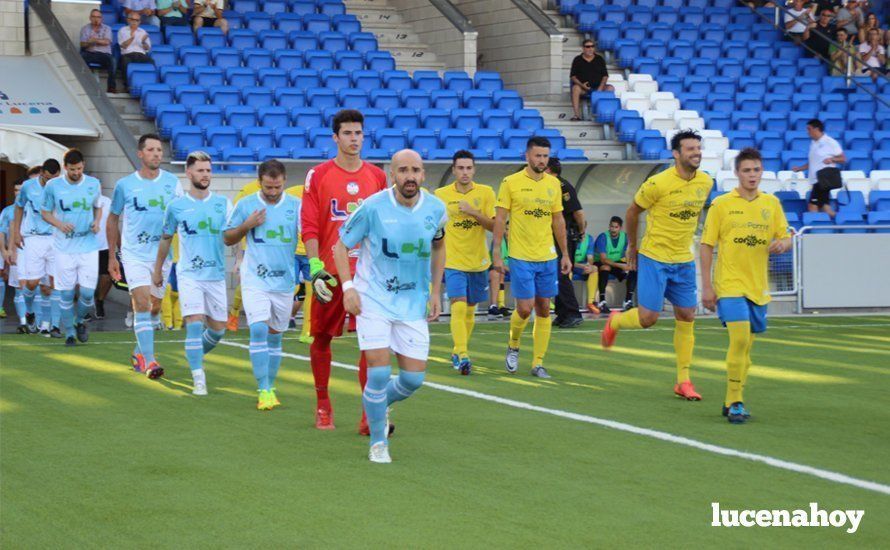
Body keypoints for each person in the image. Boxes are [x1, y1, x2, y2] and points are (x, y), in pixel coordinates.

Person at [334, 149, 446, 463]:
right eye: (403, 170)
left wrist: (436, 292)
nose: (410, 176)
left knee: (413, 380)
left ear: (423, 174)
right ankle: (378, 442)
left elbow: (439, 246)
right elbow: (340, 246)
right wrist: (348, 288)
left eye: (416, 170)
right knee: (379, 373)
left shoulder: (436, 209)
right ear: (391, 175)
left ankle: (378, 403)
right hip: (374, 301)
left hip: (412, 305)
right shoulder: (372, 208)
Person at [600, 130, 712, 401]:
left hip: (683, 260)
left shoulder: (706, 182)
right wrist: (632, 246)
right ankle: (617, 320)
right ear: (676, 154)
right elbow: (632, 211)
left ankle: (683, 381)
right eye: (690, 149)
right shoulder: (657, 183)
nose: (696, 153)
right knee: (648, 319)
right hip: (654, 258)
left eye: (698, 148)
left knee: (687, 315)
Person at [300, 109, 388, 431]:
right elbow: (309, 225)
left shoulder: (377, 177)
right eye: (348, 133)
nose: (354, 139)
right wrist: (314, 267)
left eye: (359, 133)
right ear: (335, 137)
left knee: (372, 341)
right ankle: (323, 403)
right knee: (322, 338)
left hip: (366, 275)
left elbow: (382, 225)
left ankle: (370, 415)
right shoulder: (318, 175)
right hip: (330, 272)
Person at [700, 148, 792, 424]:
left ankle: (730, 400)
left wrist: (782, 244)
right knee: (738, 339)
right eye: (746, 170)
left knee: (747, 348)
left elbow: (786, 236)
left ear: (761, 171)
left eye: (756, 170)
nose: (752, 175)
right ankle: (737, 401)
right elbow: (706, 246)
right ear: (737, 173)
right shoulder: (722, 204)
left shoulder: (771, 204)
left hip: (757, 287)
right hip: (729, 285)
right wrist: (707, 287)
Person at [492, 137, 572, 379]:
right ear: (527, 156)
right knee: (525, 309)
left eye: (545, 156)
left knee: (545, 308)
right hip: (520, 254)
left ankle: (538, 363)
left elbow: (558, 220)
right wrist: (496, 251)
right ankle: (514, 343)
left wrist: (565, 254)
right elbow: (500, 219)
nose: (541, 160)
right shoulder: (510, 183)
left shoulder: (553, 184)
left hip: (547, 255)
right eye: (537, 155)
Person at [224, 160, 299, 410]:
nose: (273, 192)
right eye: (268, 187)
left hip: (284, 281)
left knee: (276, 337)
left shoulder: (296, 206)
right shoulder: (246, 205)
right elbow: (227, 237)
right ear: (260, 182)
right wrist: (247, 225)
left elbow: (311, 236)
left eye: (277, 187)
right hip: (256, 278)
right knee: (258, 330)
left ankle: (271, 385)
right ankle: (263, 388)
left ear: (284, 181)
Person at [154, 151, 230, 396]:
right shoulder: (176, 206)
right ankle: (199, 378)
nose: (205, 174)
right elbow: (165, 239)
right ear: (189, 173)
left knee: (218, 329)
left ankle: (193, 354)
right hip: (189, 274)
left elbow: (234, 235)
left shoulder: (223, 204)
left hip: (216, 275)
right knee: (194, 325)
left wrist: (240, 258)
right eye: (200, 170)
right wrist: (158, 270)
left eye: (208, 170)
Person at [108, 134, 183, 379]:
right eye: (151, 150)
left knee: (155, 307)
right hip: (134, 255)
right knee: (141, 303)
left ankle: (139, 351)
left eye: (159, 150)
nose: (156, 154)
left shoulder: (173, 182)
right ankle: (150, 362)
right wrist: (112, 256)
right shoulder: (125, 185)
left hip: (162, 256)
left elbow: (182, 216)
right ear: (140, 154)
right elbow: (113, 219)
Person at [434, 150, 495, 375]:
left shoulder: (486, 193)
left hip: (478, 261)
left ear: (474, 169)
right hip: (453, 260)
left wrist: (474, 212)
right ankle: (462, 354)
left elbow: (494, 226)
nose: (465, 172)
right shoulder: (440, 194)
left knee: (470, 311)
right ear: (453, 170)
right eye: (460, 168)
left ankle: (458, 350)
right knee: (458, 306)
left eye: (469, 168)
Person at [40, 149, 103, 347]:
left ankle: (79, 321)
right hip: (63, 247)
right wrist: (59, 224)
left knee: (86, 292)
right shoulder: (53, 186)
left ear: (83, 165)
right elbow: (45, 212)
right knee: (67, 293)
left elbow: (98, 206)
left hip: (88, 245)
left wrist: (97, 222)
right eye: (72, 169)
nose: (76, 172)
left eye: (79, 168)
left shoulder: (93, 183)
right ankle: (69, 333)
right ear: (65, 167)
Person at [9, 159, 61, 334]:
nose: (50, 182)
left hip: (54, 238)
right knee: (31, 284)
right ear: (42, 174)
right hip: (32, 238)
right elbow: (18, 207)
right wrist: (16, 232)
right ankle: (30, 312)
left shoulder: (62, 186)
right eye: (47, 178)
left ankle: (50, 326)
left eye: (54, 178)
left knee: (52, 284)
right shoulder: (28, 186)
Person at [546, 158, 585, 329]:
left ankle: (573, 313)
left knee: (562, 274)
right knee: (556, 275)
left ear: (549, 169)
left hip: (565, 235)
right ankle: (562, 314)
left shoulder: (563, 187)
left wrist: (581, 231)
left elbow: (578, 213)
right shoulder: (550, 186)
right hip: (552, 236)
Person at [791, 119, 846, 217]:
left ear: (816, 129)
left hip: (822, 180)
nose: (807, 132)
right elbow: (812, 162)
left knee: (812, 206)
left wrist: (832, 159)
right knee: (825, 207)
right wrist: (800, 168)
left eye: (809, 129)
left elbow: (842, 158)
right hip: (816, 180)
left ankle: (814, 228)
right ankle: (841, 221)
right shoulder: (813, 143)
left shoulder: (830, 142)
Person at [585, 216, 638, 314]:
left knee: (633, 269)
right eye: (611, 227)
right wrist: (621, 266)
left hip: (616, 263)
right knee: (606, 267)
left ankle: (628, 301)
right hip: (601, 263)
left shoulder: (625, 237)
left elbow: (627, 253)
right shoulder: (603, 237)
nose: (613, 229)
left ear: (620, 228)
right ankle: (602, 301)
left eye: (616, 227)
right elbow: (604, 259)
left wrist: (628, 264)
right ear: (609, 226)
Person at [286, 182, 314, 344]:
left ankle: (307, 331)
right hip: (294, 253)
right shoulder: (296, 204)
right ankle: (279, 319)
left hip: (311, 255)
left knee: (311, 292)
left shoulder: (318, 205)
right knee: (293, 287)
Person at [569, 39, 613, 122]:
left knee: (610, 88)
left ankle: (606, 114)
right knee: (575, 88)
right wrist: (582, 85)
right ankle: (576, 115)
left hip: (598, 87)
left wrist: (600, 88)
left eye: (592, 46)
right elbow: (573, 77)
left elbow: (605, 76)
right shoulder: (577, 59)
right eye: (588, 46)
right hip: (584, 88)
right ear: (583, 48)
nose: (590, 48)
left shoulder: (599, 59)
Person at [0, 180, 25, 321]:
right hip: (8, 248)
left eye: (21, 190)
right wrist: (4, 251)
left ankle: (29, 316)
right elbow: (2, 231)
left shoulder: (33, 210)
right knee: (2, 275)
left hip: (25, 251)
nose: (18, 193)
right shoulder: (7, 211)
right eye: (16, 190)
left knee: (26, 284)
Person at [80, 9, 117, 94]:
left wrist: (94, 40)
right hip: (90, 53)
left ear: (101, 18)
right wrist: (94, 42)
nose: (96, 19)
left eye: (98, 17)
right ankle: (85, 84)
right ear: (90, 18)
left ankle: (111, 87)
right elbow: (82, 44)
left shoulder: (107, 28)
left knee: (113, 61)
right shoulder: (85, 29)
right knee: (80, 58)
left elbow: (107, 42)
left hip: (104, 54)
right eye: (94, 17)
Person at [118, 13, 154, 90]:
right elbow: (123, 46)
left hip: (140, 54)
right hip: (127, 54)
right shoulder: (122, 30)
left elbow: (147, 48)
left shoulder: (143, 32)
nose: (134, 22)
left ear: (139, 22)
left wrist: (143, 42)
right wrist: (132, 38)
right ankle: (127, 85)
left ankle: (150, 84)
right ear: (128, 20)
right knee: (125, 62)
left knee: (151, 62)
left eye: (137, 20)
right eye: (132, 20)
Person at [92, 192, 113, 320]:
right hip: (85, 247)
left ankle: (99, 301)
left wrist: (118, 245)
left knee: (107, 277)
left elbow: (112, 223)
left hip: (104, 246)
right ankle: (83, 308)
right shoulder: (80, 200)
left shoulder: (108, 201)